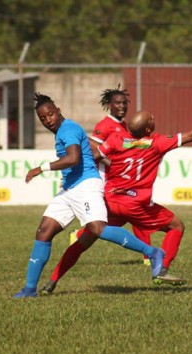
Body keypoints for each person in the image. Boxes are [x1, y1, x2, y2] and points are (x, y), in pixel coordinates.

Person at [39, 98, 192, 295]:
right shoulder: (157, 143)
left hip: (110, 201)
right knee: (177, 226)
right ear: (148, 129)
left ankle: (52, 281)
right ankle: (161, 269)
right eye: (152, 119)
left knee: (84, 240)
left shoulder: (116, 140)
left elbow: (94, 154)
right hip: (137, 204)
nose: (154, 119)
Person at [13, 92, 165, 298]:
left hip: (86, 185)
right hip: (70, 188)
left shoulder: (69, 129)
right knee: (44, 232)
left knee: (97, 228)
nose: (47, 120)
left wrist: (42, 168)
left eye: (50, 115)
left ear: (58, 111)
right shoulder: (63, 131)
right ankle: (30, 289)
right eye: (42, 118)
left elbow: (74, 158)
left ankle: (153, 252)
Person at [70, 86, 154, 266]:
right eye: (118, 103)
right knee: (135, 211)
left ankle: (78, 235)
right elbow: (92, 147)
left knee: (118, 216)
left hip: (122, 178)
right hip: (108, 177)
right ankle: (149, 256)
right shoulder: (105, 125)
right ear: (109, 105)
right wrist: (112, 163)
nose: (122, 106)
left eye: (124, 103)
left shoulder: (124, 125)